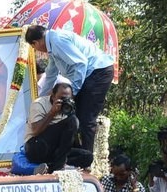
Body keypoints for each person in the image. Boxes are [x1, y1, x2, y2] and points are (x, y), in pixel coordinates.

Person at [26, 24, 115, 155]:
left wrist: (73, 92)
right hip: (89, 74)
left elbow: (81, 63)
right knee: (71, 114)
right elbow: (51, 74)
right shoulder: (52, 44)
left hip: (98, 71)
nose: (36, 50)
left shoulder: (57, 41)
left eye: (34, 47)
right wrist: (39, 100)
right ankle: (74, 155)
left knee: (86, 118)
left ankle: (86, 159)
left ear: (36, 43)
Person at [23, 77, 93, 173]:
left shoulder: (69, 108)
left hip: (56, 151)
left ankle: (49, 167)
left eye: (68, 99)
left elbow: (69, 139)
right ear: (53, 96)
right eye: (61, 98)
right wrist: (52, 113)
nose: (65, 102)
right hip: (36, 147)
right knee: (72, 121)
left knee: (87, 156)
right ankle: (59, 166)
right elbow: (35, 131)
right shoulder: (39, 104)